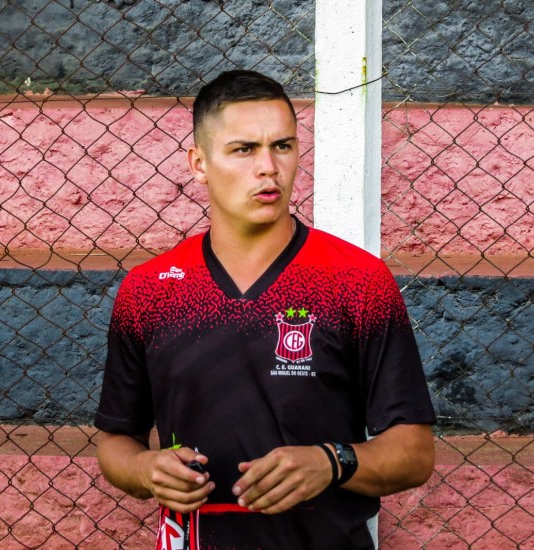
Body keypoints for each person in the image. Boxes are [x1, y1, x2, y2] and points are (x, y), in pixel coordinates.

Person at [94, 69, 436, 550]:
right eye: (243, 149)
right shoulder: (150, 289)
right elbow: (116, 441)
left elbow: (415, 454)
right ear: (199, 162)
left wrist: (332, 460)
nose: (268, 168)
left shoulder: (356, 281)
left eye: (282, 146)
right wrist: (144, 470)